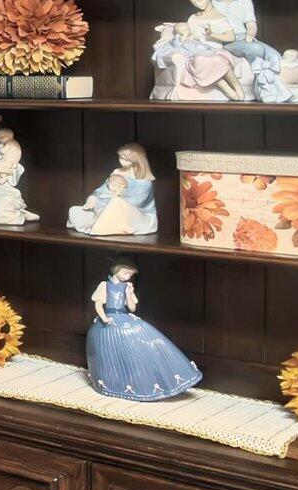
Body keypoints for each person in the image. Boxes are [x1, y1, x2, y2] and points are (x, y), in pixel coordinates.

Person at [86, 260, 200, 401]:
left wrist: (129, 293)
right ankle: (112, 382)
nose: (127, 276)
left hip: (124, 317)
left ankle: (145, 379)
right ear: (116, 270)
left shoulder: (126, 286)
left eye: (130, 274)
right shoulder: (105, 285)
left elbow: (132, 308)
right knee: (108, 351)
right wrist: (104, 317)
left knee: (142, 339)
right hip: (109, 318)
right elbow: (98, 305)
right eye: (125, 272)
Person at [67, 145, 156, 237]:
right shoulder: (117, 173)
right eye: (120, 158)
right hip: (105, 207)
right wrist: (93, 197)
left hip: (137, 217)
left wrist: (118, 193)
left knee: (116, 202)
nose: (121, 161)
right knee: (74, 211)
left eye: (125, 159)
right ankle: (101, 222)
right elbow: (103, 189)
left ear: (136, 160)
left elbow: (137, 202)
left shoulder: (144, 181)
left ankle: (101, 227)